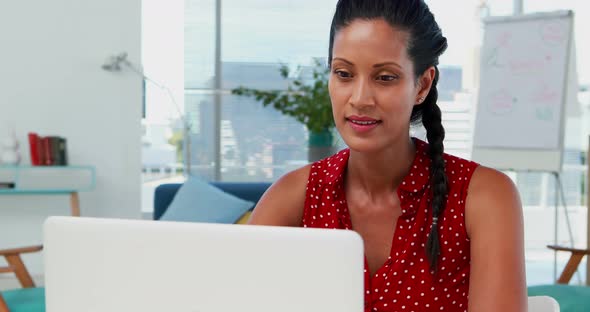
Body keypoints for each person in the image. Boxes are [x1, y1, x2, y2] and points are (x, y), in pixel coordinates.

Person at [248, 0, 527, 311]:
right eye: (344, 74)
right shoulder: (292, 197)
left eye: (385, 78)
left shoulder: (484, 197)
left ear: (422, 85)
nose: (360, 99)